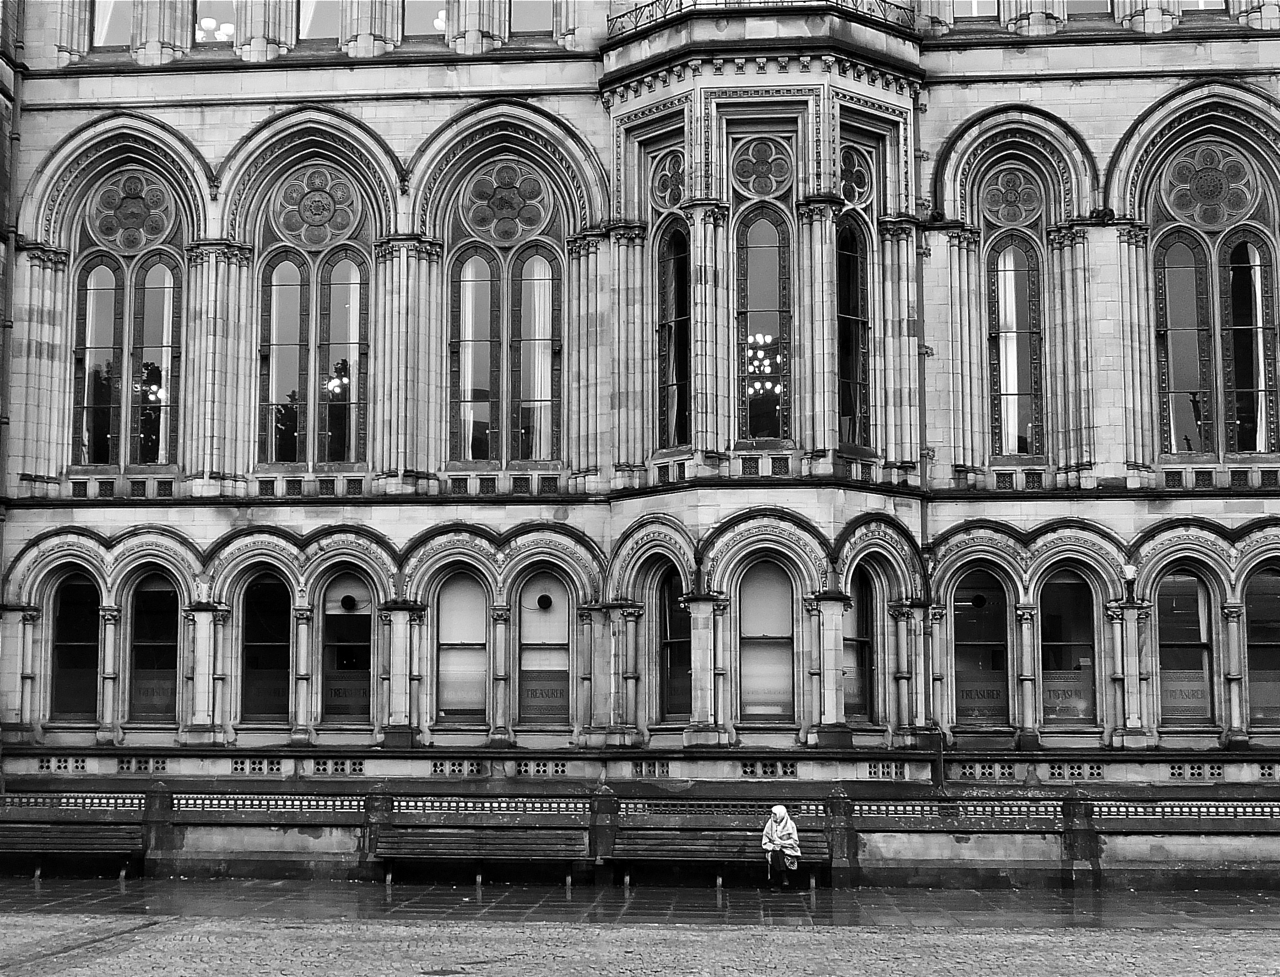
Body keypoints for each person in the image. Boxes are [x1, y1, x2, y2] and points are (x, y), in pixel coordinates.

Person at [761, 804, 801, 890]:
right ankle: (783, 877)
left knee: (779, 852)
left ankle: (777, 882)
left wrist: (781, 843)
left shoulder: (790, 824)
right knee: (776, 852)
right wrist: (772, 846)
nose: (772, 816)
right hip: (774, 850)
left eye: (774, 814)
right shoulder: (770, 824)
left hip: (789, 850)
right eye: (772, 814)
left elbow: (795, 842)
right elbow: (765, 842)